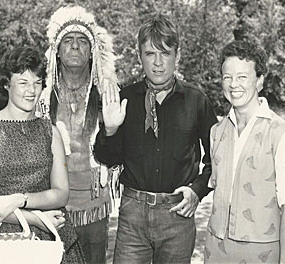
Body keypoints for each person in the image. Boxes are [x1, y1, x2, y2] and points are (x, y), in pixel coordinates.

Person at [93, 14, 218, 264]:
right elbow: (106, 157)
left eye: (165, 53)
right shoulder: (124, 99)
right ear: (140, 56)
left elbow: (217, 158)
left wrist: (197, 191)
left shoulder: (196, 101)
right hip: (133, 217)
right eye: (150, 54)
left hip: (177, 216)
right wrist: (110, 130)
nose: (158, 63)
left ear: (177, 56)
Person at [0, 47, 85, 264]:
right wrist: (36, 219)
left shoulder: (51, 131)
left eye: (37, 82)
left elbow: (61, 193)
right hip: (3, 238)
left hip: (53, 235)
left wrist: (19, 199)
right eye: (23, 82)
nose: (31, 90)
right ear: (6, 84)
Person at [205, 40, 285, 263]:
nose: (233, 84)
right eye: (227, 77)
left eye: (242, 77)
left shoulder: (282, 134)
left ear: (259, 81)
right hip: (215, 252)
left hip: (262, 256)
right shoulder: (216, 132)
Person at [37, 5, 118, 264]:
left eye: (82, 41)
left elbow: (119, 153)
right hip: (51, 208)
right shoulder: (41, 98)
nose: (74, 46)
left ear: (92, 52)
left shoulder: (108, 96)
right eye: (67, 41)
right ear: (57, 52)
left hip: (94, 208)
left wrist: (113, 129)